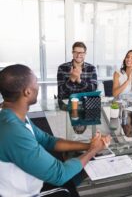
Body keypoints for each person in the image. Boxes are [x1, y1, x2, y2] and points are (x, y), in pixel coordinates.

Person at [0, 64, 110, 196]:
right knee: (72, 181)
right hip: (27, 194)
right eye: (35, 81)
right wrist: (93, 150)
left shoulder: (12, 114)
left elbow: (47, 141)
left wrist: (88, 146)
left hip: (33, 180)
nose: (38, 85)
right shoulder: (13, 131)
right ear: (27, 92)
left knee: (81, 169)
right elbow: (60, 174)